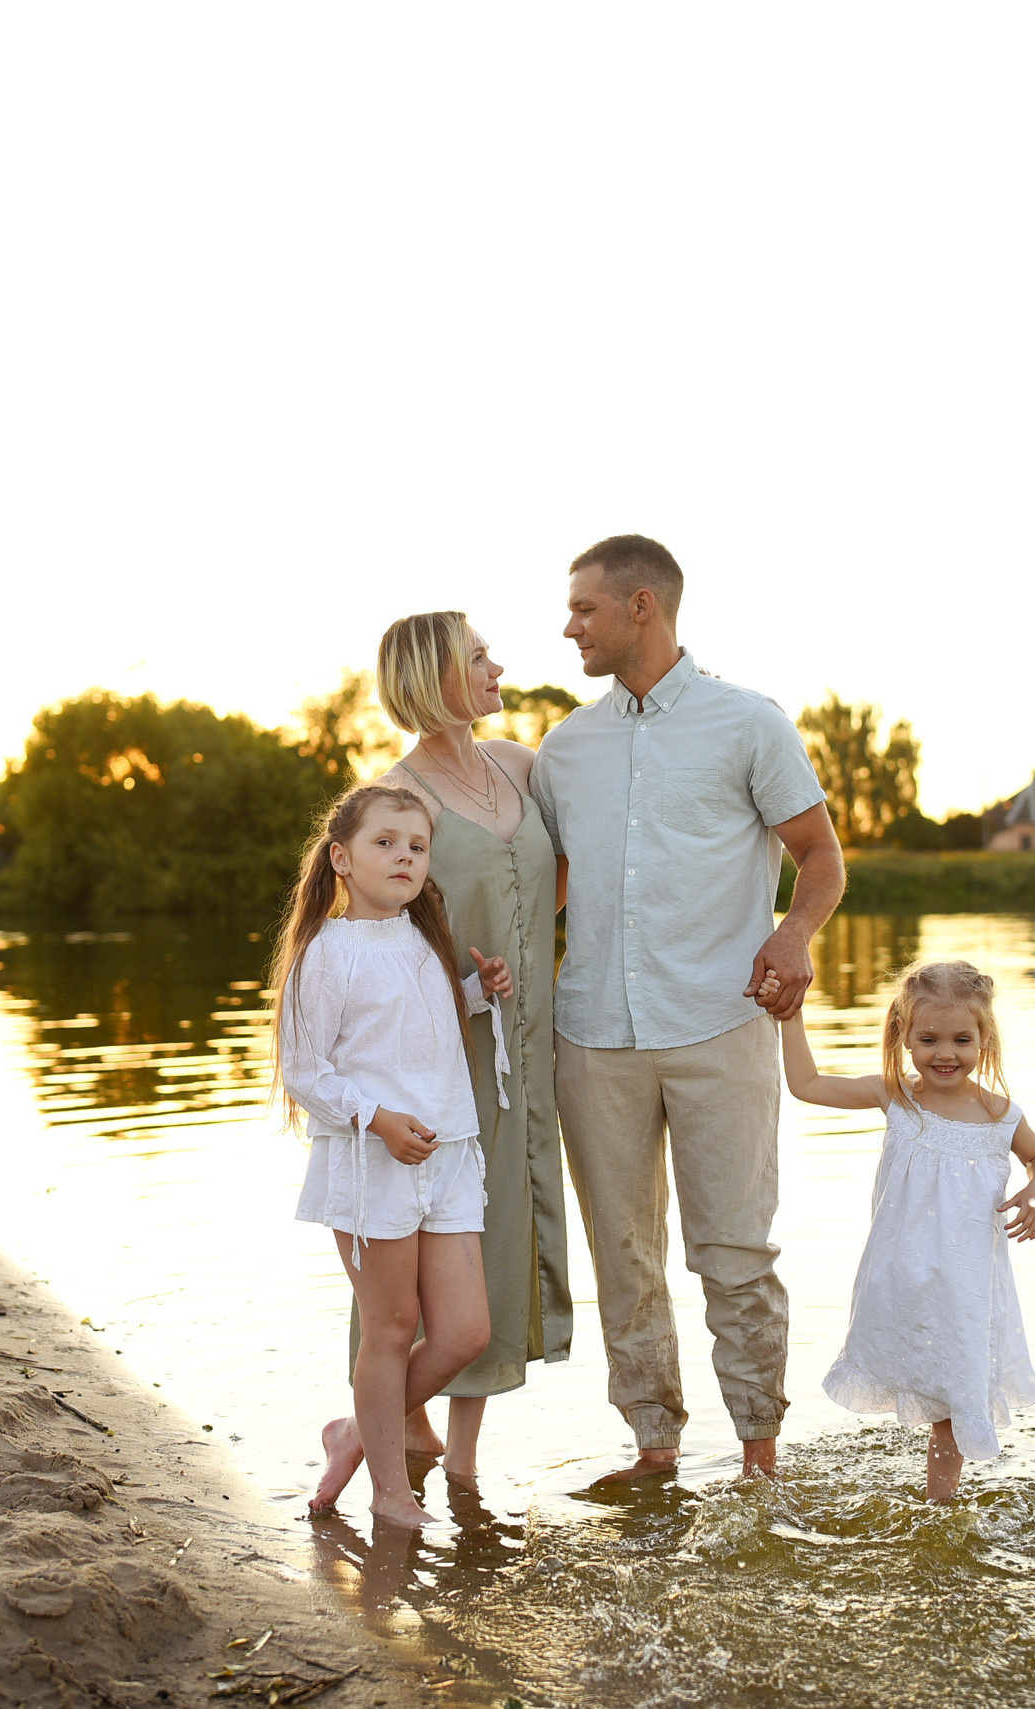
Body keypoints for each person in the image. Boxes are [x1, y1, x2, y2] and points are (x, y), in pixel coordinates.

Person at [530, 534, 847, 1484]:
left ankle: (759, 1453)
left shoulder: (748, 722)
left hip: (721, 1024)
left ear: (641, 606)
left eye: (583, 608)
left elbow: (821, 858)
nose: (569, 625)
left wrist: (792, 937)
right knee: (622, 1256)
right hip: (594, 1036)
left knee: (734, 1250)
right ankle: (655, 1449)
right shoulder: (565, 746)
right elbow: (550, 884)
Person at [364, 611, 570, 1486]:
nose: (497, 666)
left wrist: (518, 944)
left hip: (527, 1040)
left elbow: (551, 875)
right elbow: (377, 931)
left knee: (499, 1229)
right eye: (478, 656)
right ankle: (394, 1427)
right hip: (441, 1051)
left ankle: (466, 1465)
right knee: (429, 1232)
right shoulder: (398, 799)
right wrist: (461, 984)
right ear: (436, 677)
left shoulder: (520, 765)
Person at [274, 784, 514, 1529]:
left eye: (416, 845)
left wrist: (478, 991)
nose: (405, 856)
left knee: (466, 1332)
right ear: (341, 858)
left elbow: (421, 1022)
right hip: (371, 1162)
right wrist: (376, 1120)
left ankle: (353, 1432)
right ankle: (388, 1491)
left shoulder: (421, 938)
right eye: (386, 843)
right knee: (390, 1326)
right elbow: (306, 1072)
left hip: (448, 1153)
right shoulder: (326, 953)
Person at [771, 958, 1035, 1503]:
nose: (945, 1053)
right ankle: (932, 1502)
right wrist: (792, 1014)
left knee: (953, 1393)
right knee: (919, 1372)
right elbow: (805, 1085)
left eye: (961, 1040)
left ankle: (939, 1506)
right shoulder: (896, 1097)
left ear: (984, 1040)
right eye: (929, 1038)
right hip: (901, 1276)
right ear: (903, 1036)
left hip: (967, 1285)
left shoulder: (1000, 1114)